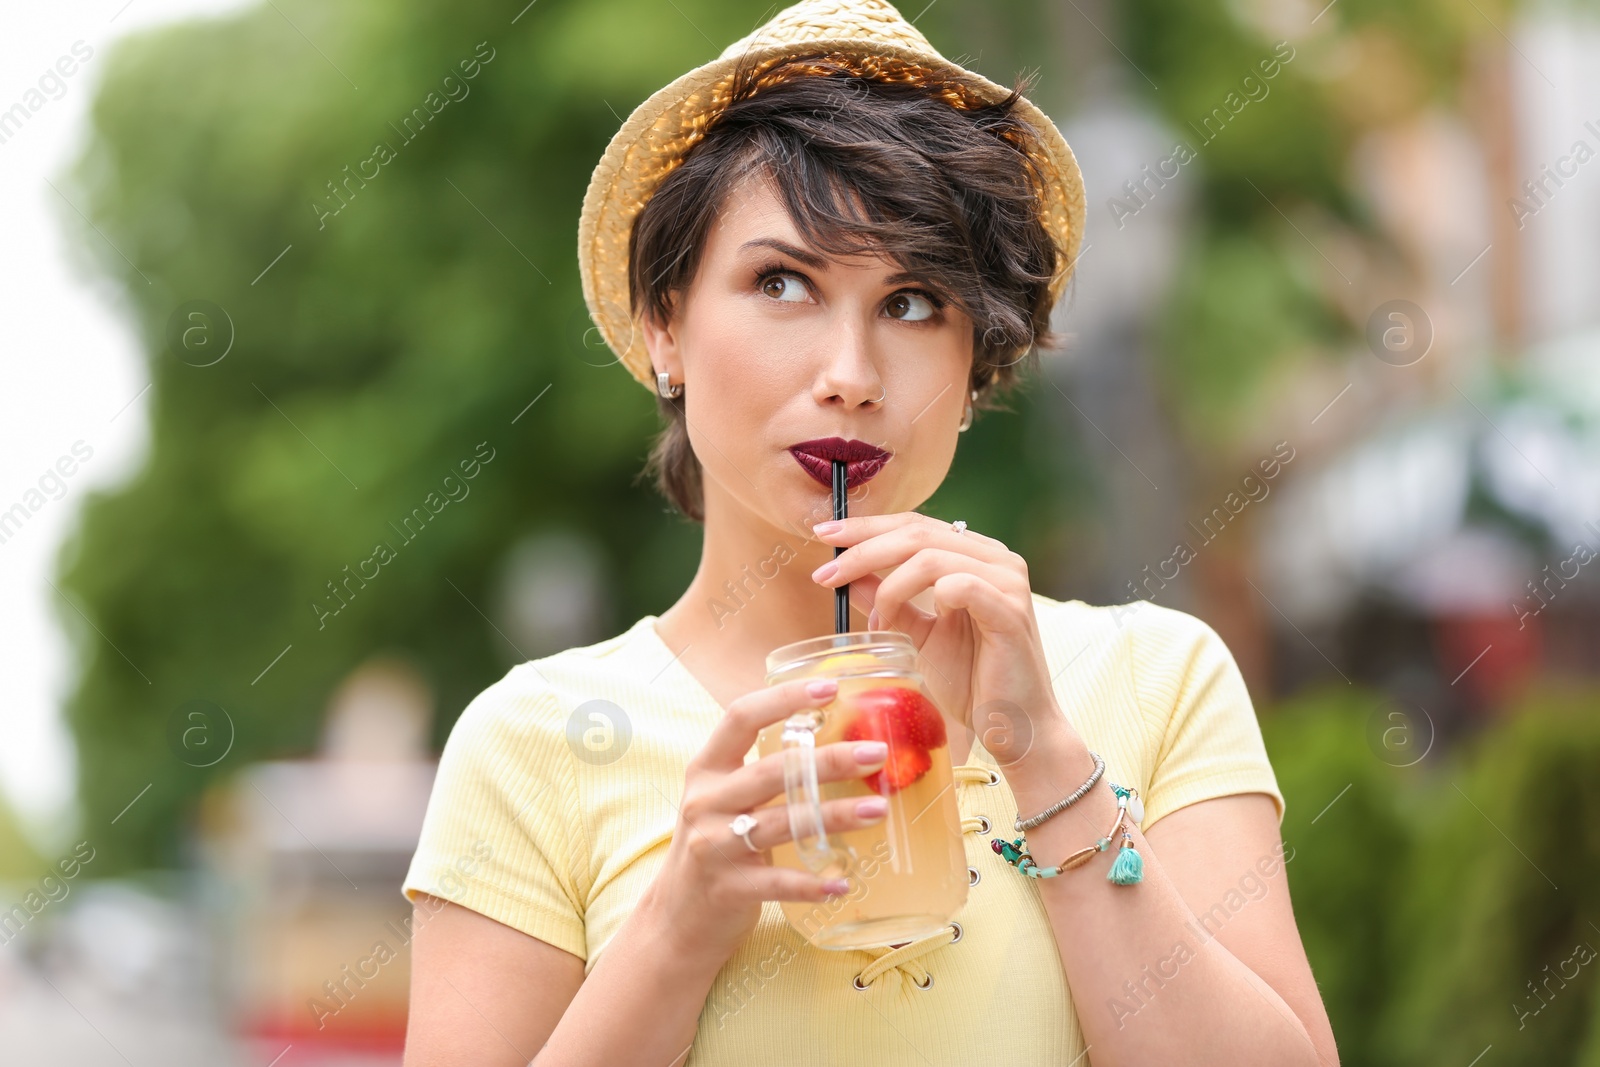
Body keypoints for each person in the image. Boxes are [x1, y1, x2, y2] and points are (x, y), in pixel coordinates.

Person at [400, 2, 1339, 1064]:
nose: (849, 374)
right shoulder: (535, 743)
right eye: (782, 282)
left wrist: (1048, 764)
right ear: (665, 323)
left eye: (913, 302)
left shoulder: (1155, 675)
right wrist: (674, 929)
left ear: (976, 368)